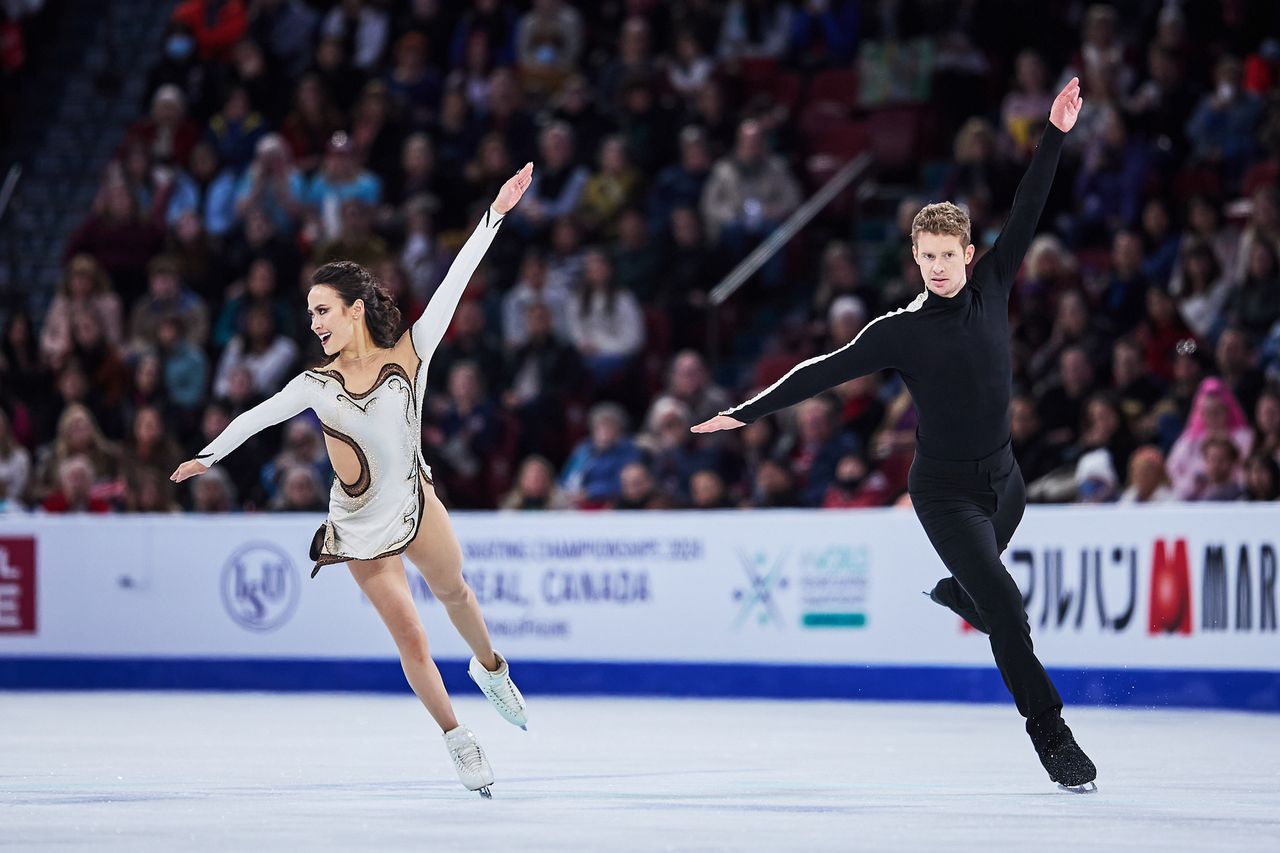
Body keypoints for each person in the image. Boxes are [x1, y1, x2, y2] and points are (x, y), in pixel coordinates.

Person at [693, 79, 1096, 791]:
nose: (939, 267)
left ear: (970, 253)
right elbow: (824, 370)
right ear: (916, 258)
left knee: (985, 596)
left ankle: (960, 593)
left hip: (1007, 482)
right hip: (944, 494)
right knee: (1007, 607)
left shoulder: (995, 282)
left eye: (949, 254)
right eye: (927, 256)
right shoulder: (900, 331)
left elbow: (1030, 203)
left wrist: (1056, 132)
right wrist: (746, 411)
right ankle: (1050, 731)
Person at [172, 163, 535, 798]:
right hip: (359, 525)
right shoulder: (315, 385)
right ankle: (457, 737)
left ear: (354, 309)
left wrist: (495, 214)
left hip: (417, 503)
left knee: (456, 595)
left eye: (323, 310)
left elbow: (456, 280)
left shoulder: (411, 355)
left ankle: (491, 668)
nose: (313, 322)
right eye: (309, 312)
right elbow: (256, 416)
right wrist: (209, 455)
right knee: (413, 636)